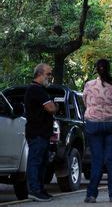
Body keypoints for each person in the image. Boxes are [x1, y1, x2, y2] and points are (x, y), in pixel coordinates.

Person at [83, 59, 112, 203]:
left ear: (96, 69)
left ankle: (92, 194)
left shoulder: (89, 85)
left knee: (97, 160)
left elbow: (85, 102)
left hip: (94, 124)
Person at [24, 63, 58, 202]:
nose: (50, 77)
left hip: (42, 133)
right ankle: (34, 190)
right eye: (48, 74)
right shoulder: (36, 90)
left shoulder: (40, 90)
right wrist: (56, 106)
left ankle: (40, 189)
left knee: (42, 162)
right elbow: (50, 108)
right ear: (39, 74)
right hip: (36, 133)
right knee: (36, 161)